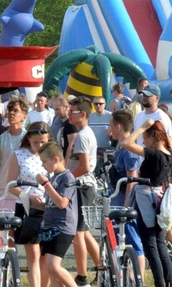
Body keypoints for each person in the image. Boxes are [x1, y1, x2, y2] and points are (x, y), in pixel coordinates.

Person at [119, 119, 172, 287]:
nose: (143, 141)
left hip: (147, 202)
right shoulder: (169, 154)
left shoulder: (154, 154)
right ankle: (169, 283)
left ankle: (160, 283)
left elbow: (126, 143)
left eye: (144, 137)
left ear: (153, 137)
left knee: (150, 246)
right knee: (160, 245)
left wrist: (142, 127)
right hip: (160, 201)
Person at [5, 122, 51, 287]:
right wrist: (27, 196)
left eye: (43, 142)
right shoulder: (19, 155)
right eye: (36, 142)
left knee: (46, 256)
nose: (39, 146)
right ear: (29, 139)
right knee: (34, 254)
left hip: (48, 207)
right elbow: (11, 185)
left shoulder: (52, 154)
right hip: (27, 208)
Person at [107, 111, 146, 273]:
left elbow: (132, 179)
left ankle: (139, 278)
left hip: (125, 202)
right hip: (118, 200)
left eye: (111, 126)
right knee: (120, 241)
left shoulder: (129, 150)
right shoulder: (121, 146)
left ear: (118, 126)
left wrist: (126, 206)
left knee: (133, 242)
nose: (109, 129)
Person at [35, 141, 78, 287]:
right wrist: (34, 203)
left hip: (62, 227)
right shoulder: (55, 177)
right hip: (49, 226)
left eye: (44, 161)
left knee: (53, 265)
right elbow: (52, 204)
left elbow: (62, 203)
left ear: (55, 159)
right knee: (51, 270)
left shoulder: (67, 177)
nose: (42, 165)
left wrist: (46, 185)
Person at [67, 96, 100, 287]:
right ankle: (103, 268)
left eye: (73, 112)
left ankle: (82, 277)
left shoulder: (82, 135)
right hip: (84, 186)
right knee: (84, 232)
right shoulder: (83, 133)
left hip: (81, 186)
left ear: (84, 114)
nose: (69, 114)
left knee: (77, 232)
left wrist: (65, 178)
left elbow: (85, 166)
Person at [50, 95, 77, 160]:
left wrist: (66, 163)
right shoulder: (64, 123)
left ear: (66, 107)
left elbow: (71, 146)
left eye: (58, 109)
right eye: (54, 109)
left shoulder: (71, 124)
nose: (55, 112)